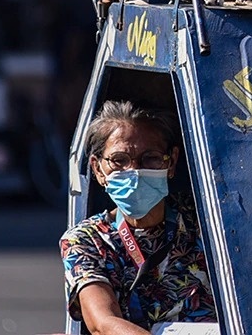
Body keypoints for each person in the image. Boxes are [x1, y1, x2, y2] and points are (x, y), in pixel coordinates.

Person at [60, 101, 216, 334]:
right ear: (98, 169)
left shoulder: (205, 219)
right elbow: (103, 323)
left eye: (150, 158)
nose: (134, 171)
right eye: (119, 160)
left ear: (171, 162)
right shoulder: (87, 241)